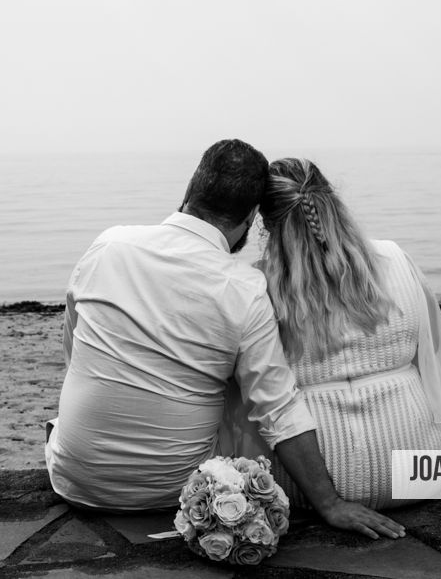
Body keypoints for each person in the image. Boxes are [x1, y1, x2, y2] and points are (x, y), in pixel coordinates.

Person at [45, 140, 405, 539]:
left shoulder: (108, 245)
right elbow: (278, 409)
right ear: (252, 218)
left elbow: (74, 350)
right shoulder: (243, 287)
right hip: (181, 494)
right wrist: (330, 504)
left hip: (74, 482)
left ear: (188, 192)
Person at [222, 157, 441, 509]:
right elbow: (431, 352)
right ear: (332, 198)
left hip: (303, 488)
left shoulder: (255, 284)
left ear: (265, 221)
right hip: (416, 474)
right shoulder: (395, 258)